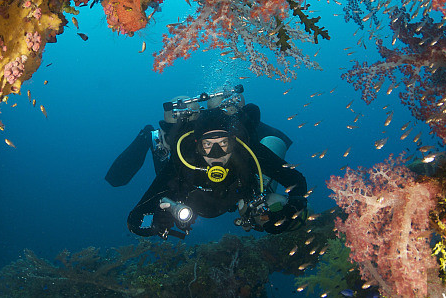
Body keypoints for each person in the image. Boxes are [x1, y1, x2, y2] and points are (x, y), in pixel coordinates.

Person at [115, 95, 308, 239]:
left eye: (224, 144)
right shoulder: (183, 162)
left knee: (277, 220)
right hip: (189, 199)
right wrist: (157, 222)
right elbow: (136, 218)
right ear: (197, 146)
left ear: (234, 142)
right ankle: (155, 137)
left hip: (240, 197)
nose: (217, 154)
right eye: (208, 146)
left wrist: (292, 206)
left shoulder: (246, 152)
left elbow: (295, 180)